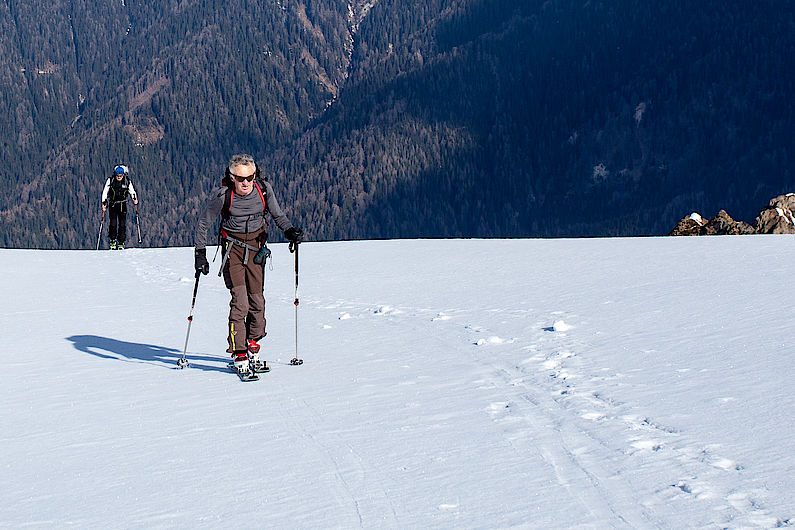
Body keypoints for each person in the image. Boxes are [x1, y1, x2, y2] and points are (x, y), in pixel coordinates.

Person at [194, 154, 304, 377]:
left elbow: (277, 215)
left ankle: (253, 344)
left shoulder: (264, 190)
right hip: (232, 251)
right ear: (232, 177)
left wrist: (290, 230)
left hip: (256, 250)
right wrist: (200, 254)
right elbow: (203, 224)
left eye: (250, 177)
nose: (245, 183)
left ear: (255, 175)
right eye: (240, 178)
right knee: (240, 303)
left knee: (257, 302)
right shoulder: (223, 196)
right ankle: (239, 353)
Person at [101, 164, 139, 250]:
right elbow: (105, 192)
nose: (119, 177)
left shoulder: (127, 181)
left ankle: (121, 242)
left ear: (123, 175)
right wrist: (104, 203)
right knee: (113, 223)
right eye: (118, 176)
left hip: (122, 205)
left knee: (122, 224)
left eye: (120, 176)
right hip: (113, 205)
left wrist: (134, 198)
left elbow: (132, 191)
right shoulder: (110, 181)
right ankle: (113, 240)